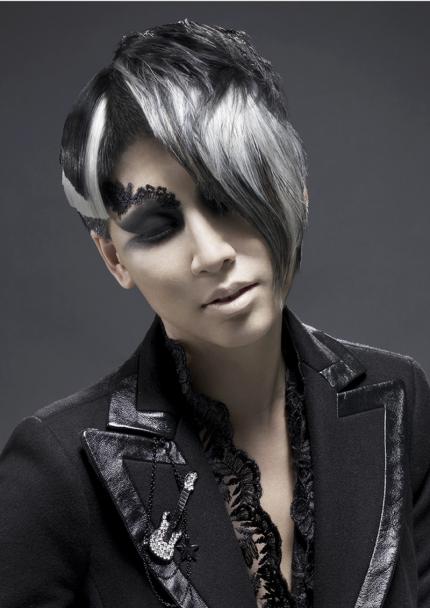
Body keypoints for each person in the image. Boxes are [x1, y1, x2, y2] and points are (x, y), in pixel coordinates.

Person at [0, 18, 429, 608]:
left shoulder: (401, 400)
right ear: (114, 259)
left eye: (229, 196)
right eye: (158, 227)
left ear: (294, 188)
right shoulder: (56, 469)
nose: (211, 254)